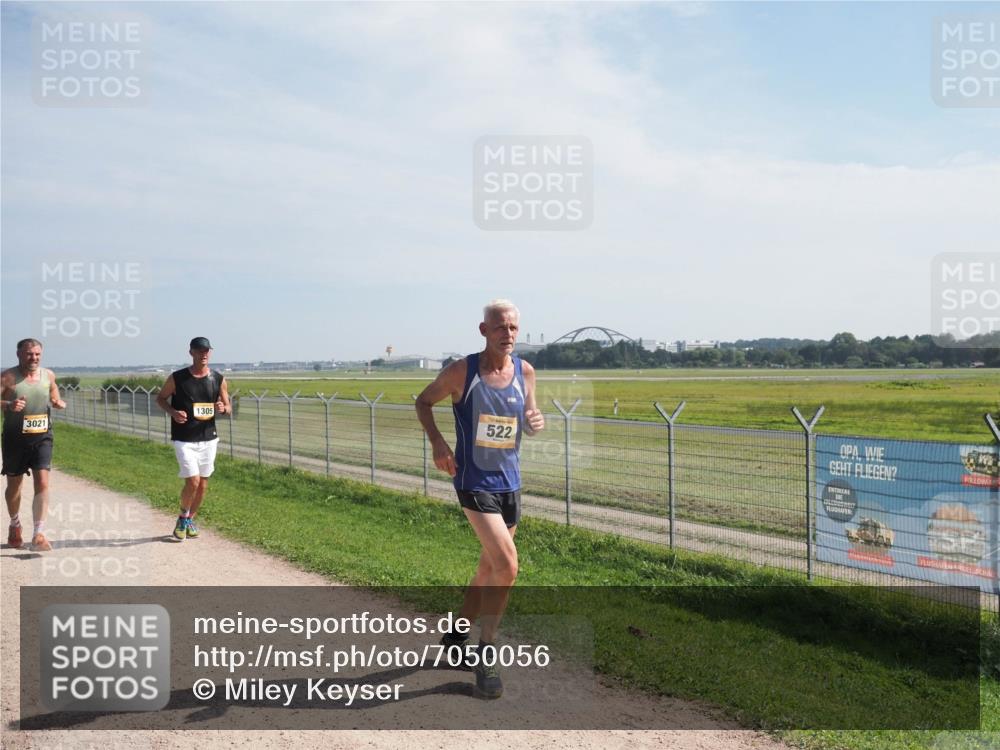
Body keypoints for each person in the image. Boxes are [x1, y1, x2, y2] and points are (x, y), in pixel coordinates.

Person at [415, 299, 545, 699]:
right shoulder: (462, 371)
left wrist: (535, 420)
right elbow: (423, 401)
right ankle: (486, 651)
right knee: (507, 564)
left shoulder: (525, 371)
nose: (508, 334)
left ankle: (455, 637)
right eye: (500, 327)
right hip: (473, 481)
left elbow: (528, 415)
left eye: (513, 328)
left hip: (510, 483)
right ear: (484, 330)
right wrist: (438, 443)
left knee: (488, 568)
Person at [155, 337, 230, 541]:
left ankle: (189, 519)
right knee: (193, 481)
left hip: (208, 438)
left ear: (210, 353)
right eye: (199, 350)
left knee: (203, 484)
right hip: (184, 438)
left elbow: (227, 406)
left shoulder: (218, 379)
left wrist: (223, 409)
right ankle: (182, 517)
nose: (203, 354)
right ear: (191, 353)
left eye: (206, 350)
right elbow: (160, 399)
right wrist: (173, 412)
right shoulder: (177, 378)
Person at [1, 338, 67, 551]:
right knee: (14, 487)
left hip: (42, 436)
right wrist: (9, 404)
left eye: (37, 354)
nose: (34, 358)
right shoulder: (8, 377)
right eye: (29, 354)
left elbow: (53, 390)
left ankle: (39, 533)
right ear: (19, 354)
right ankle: (15, 523)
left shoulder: (48, 375)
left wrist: (57, 401)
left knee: (43, 482)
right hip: (14, 438)